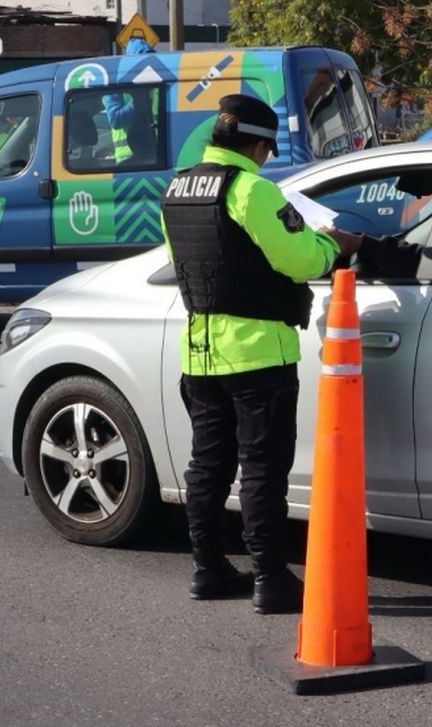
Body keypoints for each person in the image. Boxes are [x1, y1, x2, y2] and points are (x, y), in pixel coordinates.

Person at [160, 94, 339, 611]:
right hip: (258, 355)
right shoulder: (251, 189)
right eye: (267, 149)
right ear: (259, 145)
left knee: (208, 465)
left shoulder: (177, 188)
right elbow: (300, 258)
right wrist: (333, 246)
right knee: (262, 468)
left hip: (198, 354)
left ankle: (207, 569)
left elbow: (182, 261)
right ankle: (271, 579)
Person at [104, 37, 158, 165]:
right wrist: (141, 96)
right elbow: (115, 120)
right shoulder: (115, 85)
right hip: (128, 163)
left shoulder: (158, 87)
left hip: (156, 158)